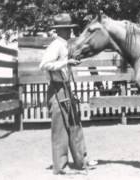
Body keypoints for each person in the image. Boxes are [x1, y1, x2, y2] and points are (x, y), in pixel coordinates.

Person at [39, 13, 97, 175]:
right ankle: (60, 167)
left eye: (70, 28)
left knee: (75, 124)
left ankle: (82, 161)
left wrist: (70, 63)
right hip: (56, 89)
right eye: (67, 29)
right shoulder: (55, 45)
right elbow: (44, 65)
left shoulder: (64, 45)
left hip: (66, 87)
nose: (70, 32)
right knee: (60, 129)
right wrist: (66, 62)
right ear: (61, 30)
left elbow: (63, 66)